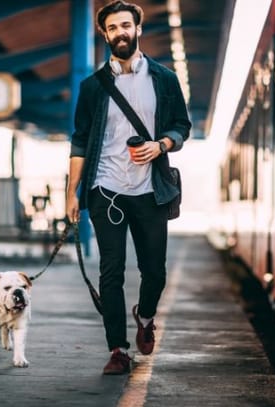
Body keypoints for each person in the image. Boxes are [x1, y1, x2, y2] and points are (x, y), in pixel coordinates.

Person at [65, 0, 191, 375]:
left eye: (126, 25)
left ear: (138, 29)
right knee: (111, 271)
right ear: (104, 35)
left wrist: (161, 144)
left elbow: (183, 126)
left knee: (155, 271)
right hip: (106, 189)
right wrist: (72, 193)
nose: (120, 32)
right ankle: (117, 350)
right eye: (112, 28)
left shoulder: (164, 79)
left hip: (151, 190)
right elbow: (80, 140)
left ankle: (146, 315)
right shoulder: (92, 87)